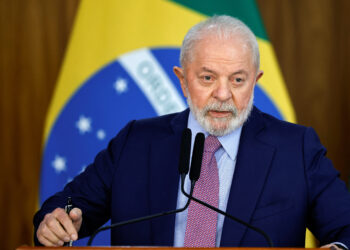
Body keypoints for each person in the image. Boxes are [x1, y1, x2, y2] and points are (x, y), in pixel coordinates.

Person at [34, 15, 350, 248]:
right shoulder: (136, 142)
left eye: (238, 80)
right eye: (208, 78)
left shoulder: (296, 149)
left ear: (255, 81)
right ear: (183, 80)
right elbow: (65, 205)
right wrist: (57, 219)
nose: (223, 94)